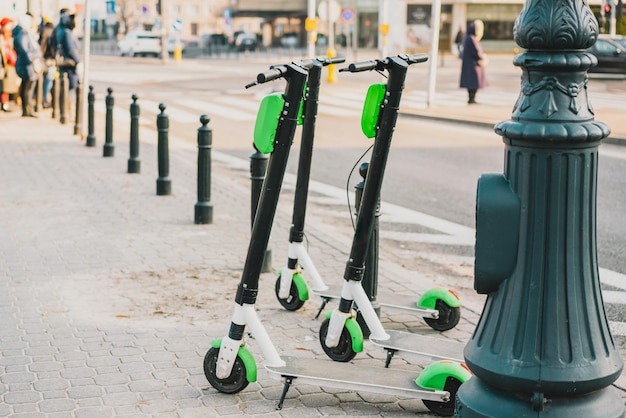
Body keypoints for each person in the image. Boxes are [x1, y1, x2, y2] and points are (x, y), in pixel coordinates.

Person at [13, 13, 42, 117]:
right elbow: (25, 51)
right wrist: (32, 59)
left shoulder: (23, 33)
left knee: (27, 86)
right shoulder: (23, 34)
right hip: (26, 64)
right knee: (28, 86)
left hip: (26, 63)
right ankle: (27, 109)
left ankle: (27, 109)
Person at [459, 20, 487, 105]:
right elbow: (477, 51)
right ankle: (472, 99)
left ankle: (471, 98)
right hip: (473, 64)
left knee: (471, 82)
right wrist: (482, 57)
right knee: (474, 82)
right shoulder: (472, 38)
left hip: (469, 63)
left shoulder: (467, 37)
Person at [55, 11, 80, 92]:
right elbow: (70, 50)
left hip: (65, 65)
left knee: (65, 88)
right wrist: (78, 61)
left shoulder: (61, 31)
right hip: (69, 66)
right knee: (70, 87)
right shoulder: (67, 33)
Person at [0, 17, 18, 112]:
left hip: (10, 63)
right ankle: (4, 104)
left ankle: (5, 103)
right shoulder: (2, 37)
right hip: (4, 63)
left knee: (6, 86)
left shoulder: (10, 35)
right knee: (4, 85)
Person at [39, 20, 55, 108]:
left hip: (44, 62)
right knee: (48, 83)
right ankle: (46, 100)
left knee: (46, 82)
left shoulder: (42, 37)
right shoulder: (49, 38)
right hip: (49, 63)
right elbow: (51, 52)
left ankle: (44, 100)